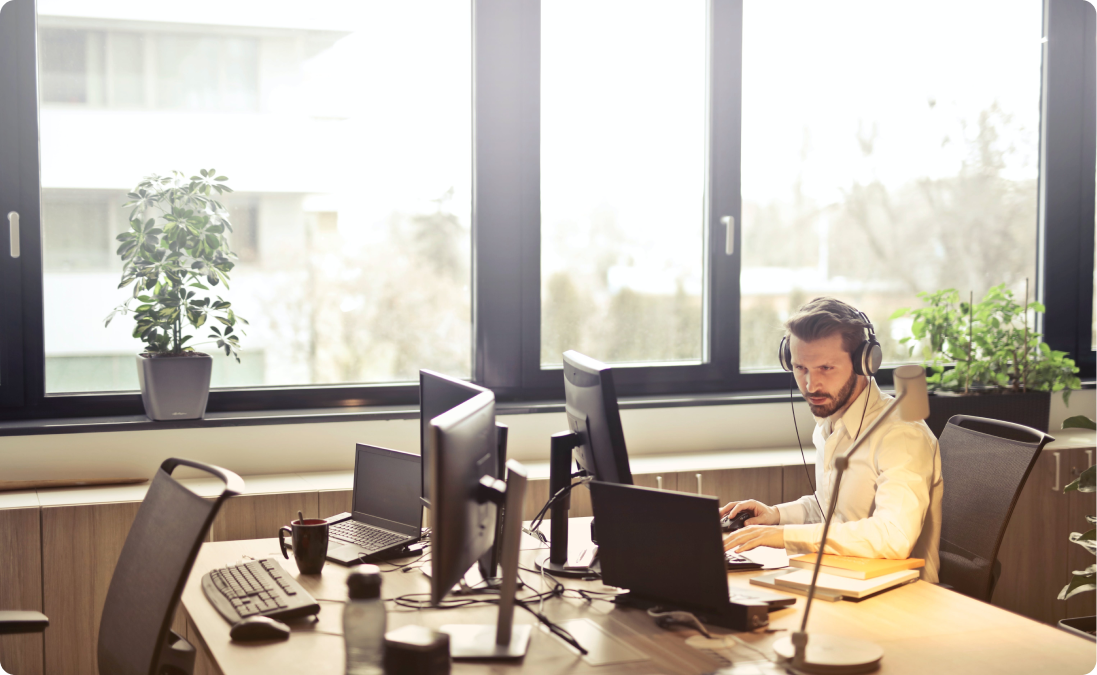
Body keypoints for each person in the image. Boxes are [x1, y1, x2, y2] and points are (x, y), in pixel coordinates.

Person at [722, 297, 943, 582]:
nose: (811, 386)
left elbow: (893, 537)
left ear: (864, 362)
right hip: (841, 577)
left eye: (826, 368)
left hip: (900, 596)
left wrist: (785, 536)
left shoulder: (902, 434)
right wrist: (776, 515)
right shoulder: (830, 422)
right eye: (800, 368)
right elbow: (833, 511)